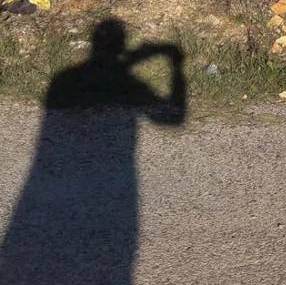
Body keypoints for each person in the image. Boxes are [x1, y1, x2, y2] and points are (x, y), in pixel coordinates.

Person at [0, 19, 186, 285]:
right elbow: (174, 118)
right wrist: (176, 67)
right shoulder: (128, 83)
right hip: (116, 183)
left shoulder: (64, 78)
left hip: (51, 179)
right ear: (122, 46)